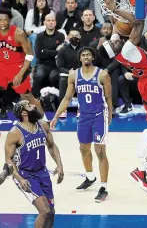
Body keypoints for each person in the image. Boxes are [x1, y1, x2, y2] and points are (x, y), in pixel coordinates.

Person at [98, 0, 147, 194]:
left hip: (145, 87)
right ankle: (140, 170)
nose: (114, 38)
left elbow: (117, 28)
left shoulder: (119, 51)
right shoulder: (128, 49)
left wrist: (111, 13)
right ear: (115, 48)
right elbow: (138, 23)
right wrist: (116, 8)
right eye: (112, 42)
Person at [50, 46, 112, 203]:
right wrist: (56, 116)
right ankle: (90, 177)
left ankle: (103, 187)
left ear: (93, 57)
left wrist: (109, 116)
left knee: (99, 150)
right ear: (80, 58)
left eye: (88, 54)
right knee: (84, 148)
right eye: (83, 55)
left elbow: (109, 98)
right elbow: (67, 98)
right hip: (83, 115)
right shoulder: (74, 75)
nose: (85, 57)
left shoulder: (102, 74)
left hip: (99, 115)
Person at [0, 8, 45, 139]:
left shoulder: (18, 33)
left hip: (18, 67)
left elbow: (30, 54)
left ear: (10, 20)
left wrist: (20, 74)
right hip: (1, 66)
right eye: (0, 20)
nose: (3, 22)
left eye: (5, 20)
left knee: (27, 98)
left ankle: (44, 121)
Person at [5, 100, 64, 228]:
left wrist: (59, 165)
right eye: (29, 105)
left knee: (51, 211)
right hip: (25, 174)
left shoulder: (43, 125)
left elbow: (52, 145)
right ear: (24, 113)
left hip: (42, 171)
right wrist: (20, 179)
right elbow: (9, 160)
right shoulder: (15, 133)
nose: (34, 105)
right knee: (44, 211)